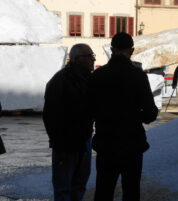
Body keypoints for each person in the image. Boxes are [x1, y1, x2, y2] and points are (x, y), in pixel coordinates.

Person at [88, 32, 158, 201]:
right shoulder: (138, 75)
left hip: (106, 142)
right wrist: (135, 116)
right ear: (132, 50)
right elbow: (150, 113)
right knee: (131, 190)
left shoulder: (98, 75)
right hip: (132, 143)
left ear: (112, 49)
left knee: (104, 189)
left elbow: (89, 109)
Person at [43, 44, 95, 201]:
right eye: (90, 56)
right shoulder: (62, 80)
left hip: (82, 138)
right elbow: (51, 115)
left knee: (78, 183)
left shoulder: (85, 78)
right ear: (78, 59)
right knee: (65, 186)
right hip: (66, 141)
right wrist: (58, 138)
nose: (93, 59)